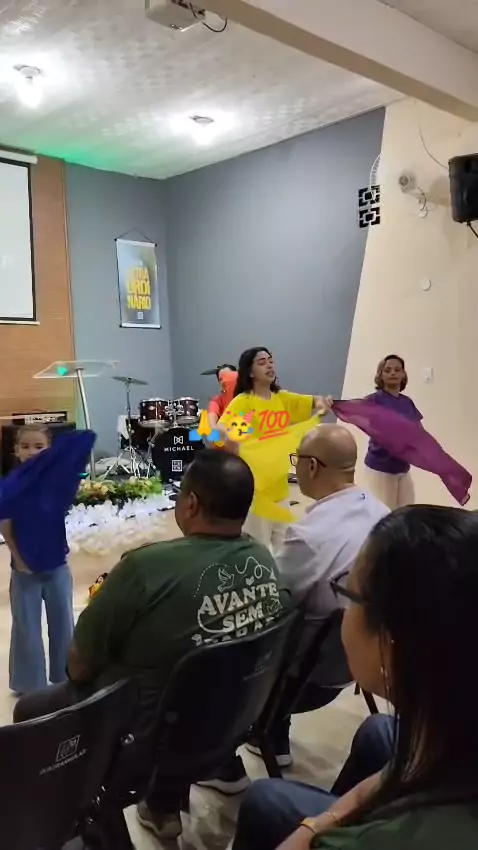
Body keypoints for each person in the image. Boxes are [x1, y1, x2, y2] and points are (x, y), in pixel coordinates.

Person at [13, 449, 290, 841]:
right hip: (234, 723)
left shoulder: (145, 567)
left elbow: (78, 666)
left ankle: (63, 828)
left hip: (145, 744)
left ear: (191, 504)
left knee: (30, 710)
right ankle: (163, 803)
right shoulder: (263, 559)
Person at [233, 505, 478, 850]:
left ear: (391, 641)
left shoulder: (402, 839)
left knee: (265, 800)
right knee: (378, 732)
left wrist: (319, 836)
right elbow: (398, 768)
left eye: (348, 592)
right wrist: (322, 821)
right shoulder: (449, 716)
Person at [245, 424, 388, 766]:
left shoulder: (310, 536)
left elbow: (271, 605)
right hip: (362, 660)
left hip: (306, 677)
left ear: (311, 466)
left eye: (296, 459)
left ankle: (224, 760)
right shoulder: (382, 515)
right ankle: (273, 734)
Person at [218, 347, 332, 549]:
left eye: (270, 361)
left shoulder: (282, 398)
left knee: (285, 548)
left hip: (281, 489)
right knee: (258, 549)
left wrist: (323, 403)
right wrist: (232, 436)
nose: (269, 366)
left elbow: (313, 401)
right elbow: (221, 429)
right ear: (250, 372)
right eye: (262, 363)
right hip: (255, 492)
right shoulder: (244, 402)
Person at [0, 425, 78, 695]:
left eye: (38, 446)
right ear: (16, 450)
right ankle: (29, 684)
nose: (31, 452)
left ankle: (65, 676)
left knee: (63, 623)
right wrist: (19, 559)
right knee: (27, 629)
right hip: (25, 570)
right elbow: (6, 526)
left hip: (57, 565)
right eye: (25, 446)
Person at [364, 355, 422, 509]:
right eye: (388, 370)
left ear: (403, 374)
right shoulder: (374, 400)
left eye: (397, 370)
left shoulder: (407, 402)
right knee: (383, 513)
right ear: (381, 375)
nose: (393, 373)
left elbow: (417, 430)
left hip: (402, 467)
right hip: (381, 467)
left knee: (405, 511)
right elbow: (372, 426)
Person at [203, 364, 238, 429]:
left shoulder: (247, 396)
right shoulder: (216, 401)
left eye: (228, 376)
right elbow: (212, 425)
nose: (224, 381)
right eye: (221, 379)